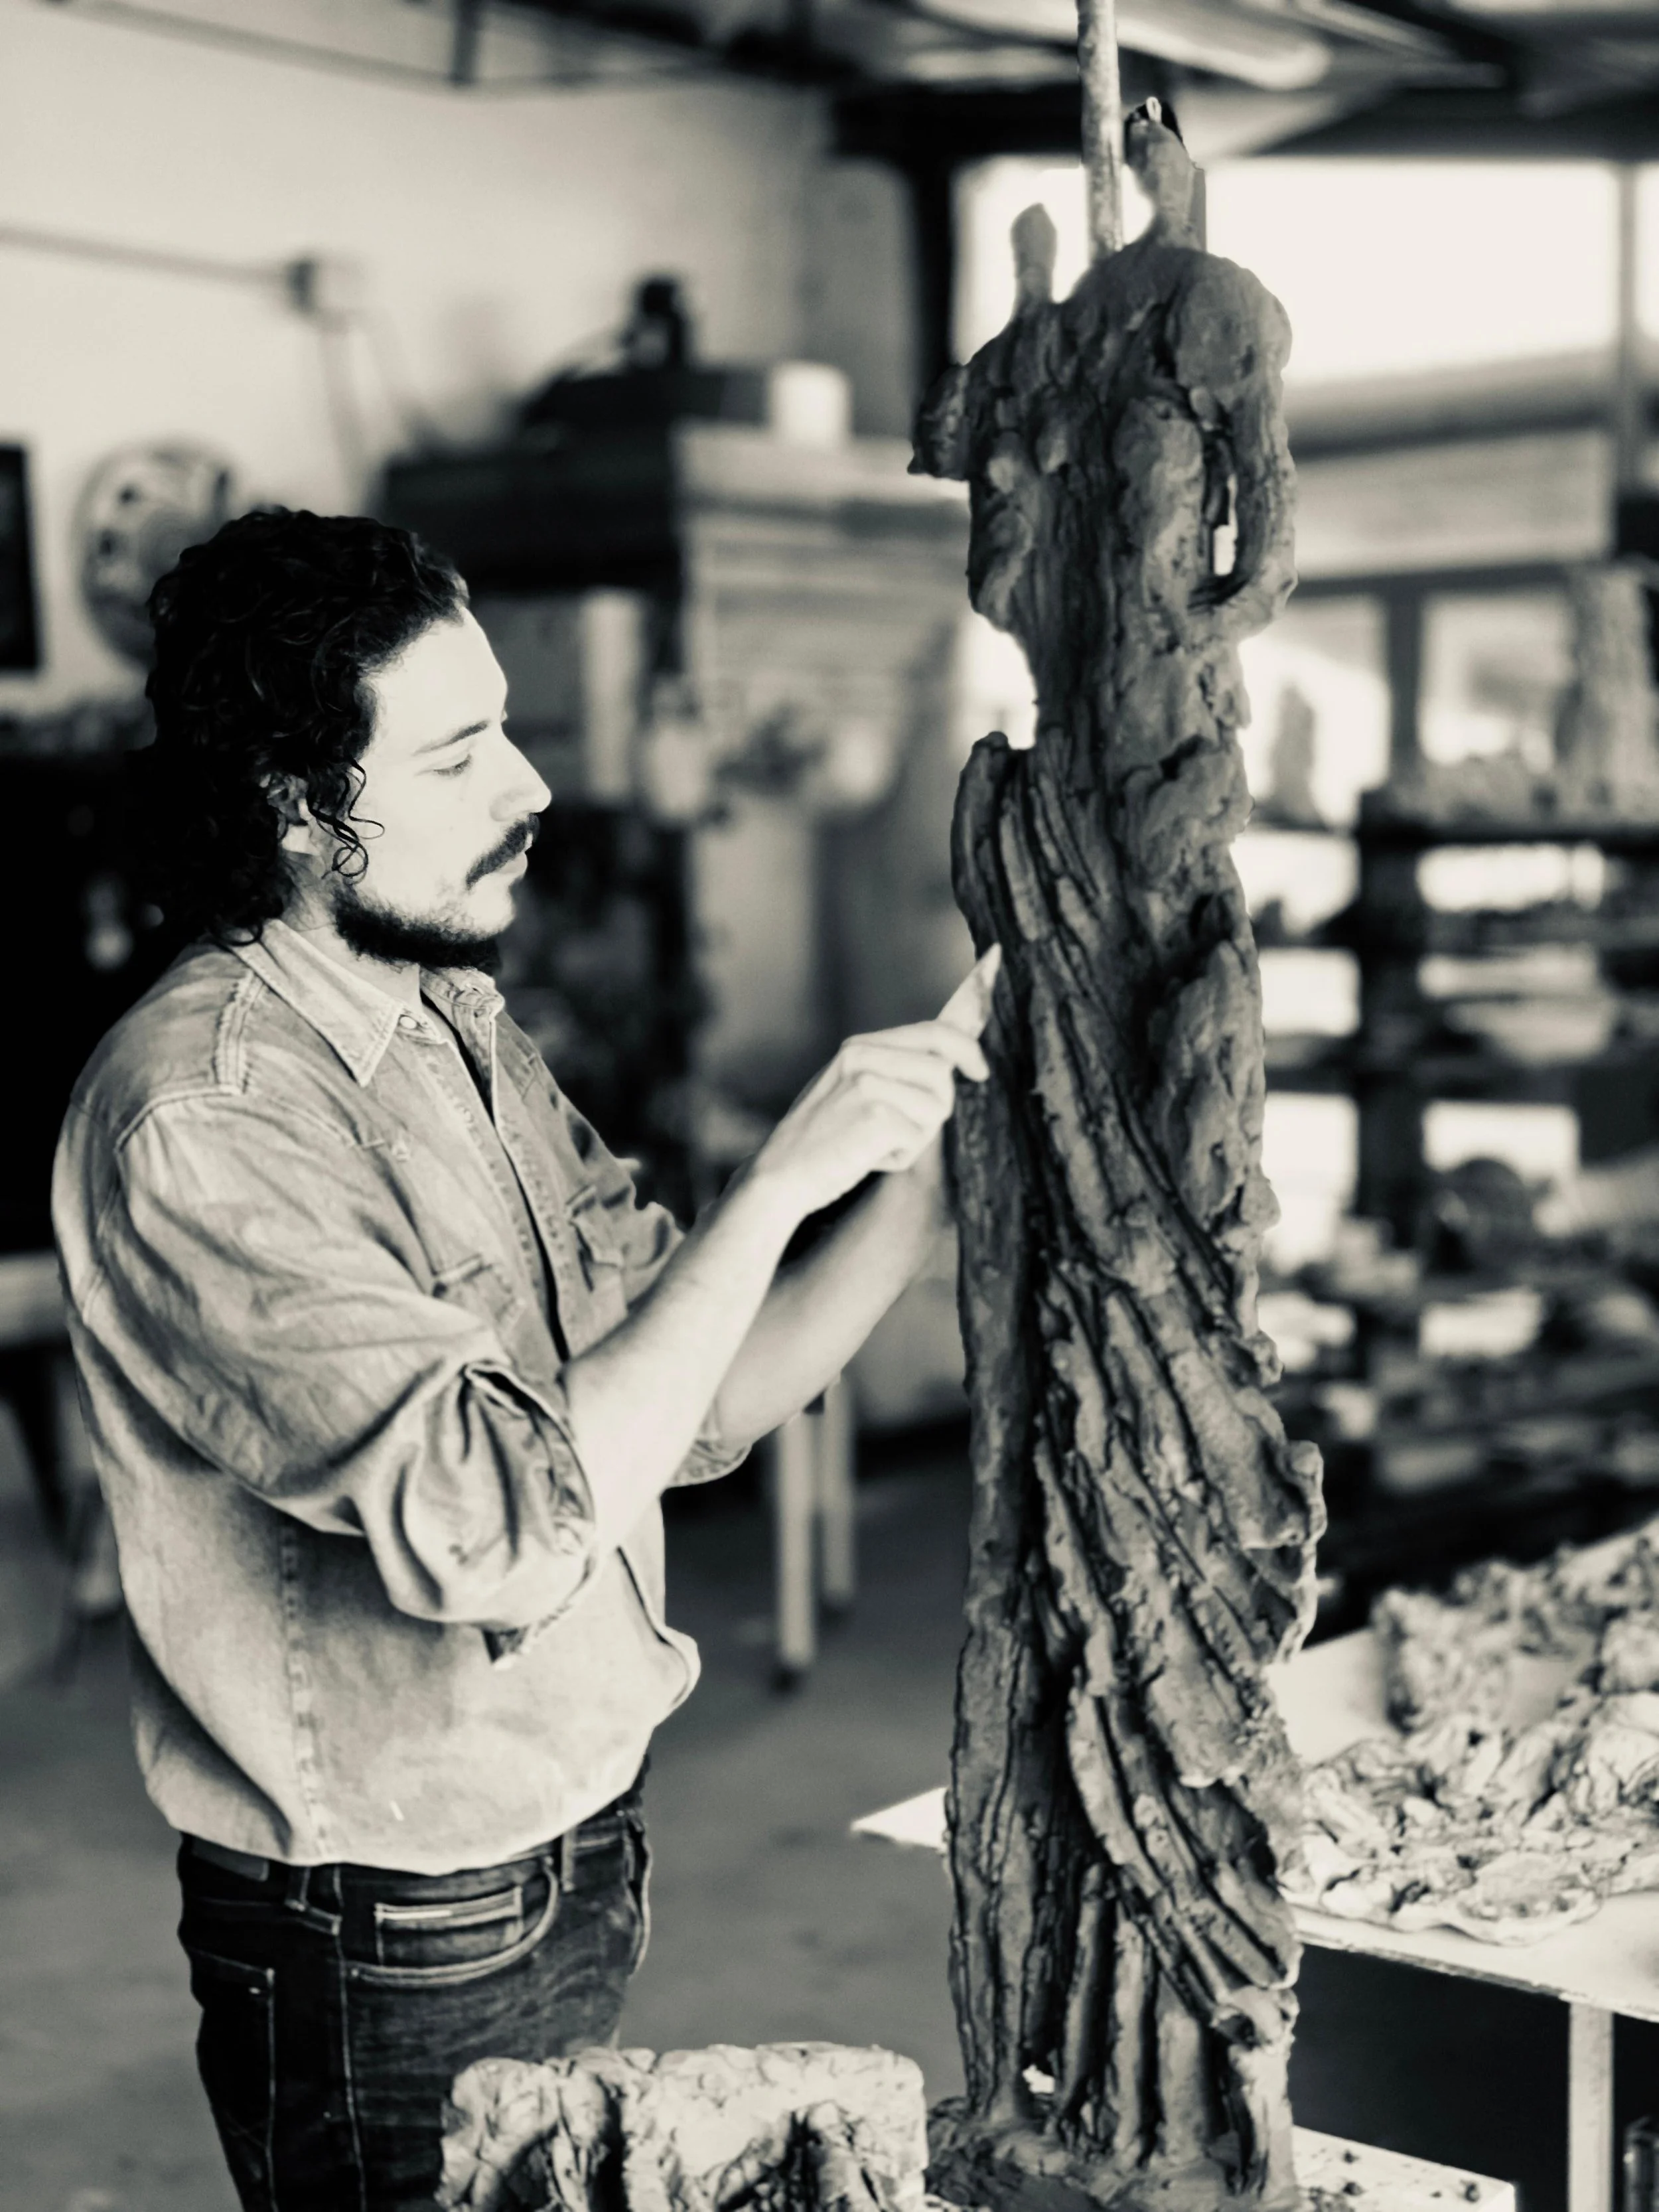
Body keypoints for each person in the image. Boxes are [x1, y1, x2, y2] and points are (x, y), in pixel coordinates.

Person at [52, 508, 999, 2212]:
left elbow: (691, 1412)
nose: (532, 789)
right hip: (385, 1928)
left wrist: (924, 1176)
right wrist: (781, 1175)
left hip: (577, 1838)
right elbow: (504, 1527)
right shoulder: (202, 1119)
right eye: (461, 752)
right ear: (302, 808)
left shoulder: (453, 1029)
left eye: (512, 729)